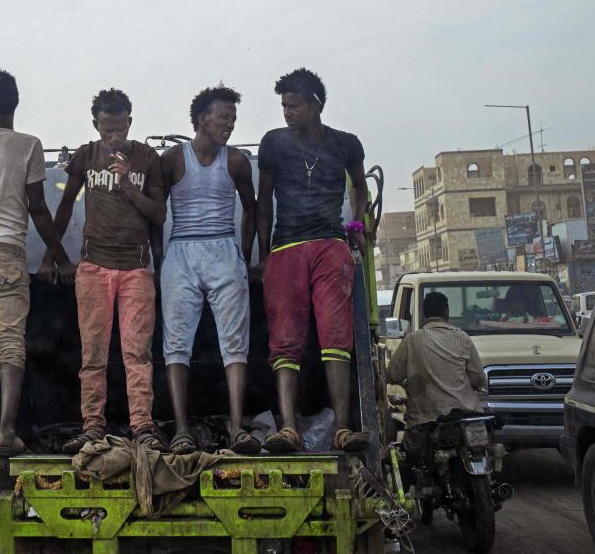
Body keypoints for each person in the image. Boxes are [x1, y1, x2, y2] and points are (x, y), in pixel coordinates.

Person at [0, 69, 75, 465]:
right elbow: (38, 208)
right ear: (16, 103)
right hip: (7, 252)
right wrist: (61, 257)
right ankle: (5, 432)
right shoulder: (29, 145)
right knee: (9, 344)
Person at [40, 88, 168, 454]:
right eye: (107, 129)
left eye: (120, 128)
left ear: (131, 120)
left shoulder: (147, 157)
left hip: (136, 269)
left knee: (137, 354)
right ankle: (92, 427)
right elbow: (64, 207)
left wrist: (127, 182)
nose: (114, 137)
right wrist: (53, 255)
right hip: (94, 267)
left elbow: (159, 216)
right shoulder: (85, 156)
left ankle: (142, 426)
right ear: (96, 125)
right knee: (93, 354)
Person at [252, 68, 370, 453]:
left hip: (329, 244)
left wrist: (356, 227)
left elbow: (360, 189)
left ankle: (342, 428)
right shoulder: (273, 143)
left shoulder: (346, 144)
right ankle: (288, 428)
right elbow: (263, 202)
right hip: (286, 248)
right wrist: (265, 254)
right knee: (285, 339)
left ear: (315, 105)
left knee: (336, 336)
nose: (287, 112)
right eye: (283, 105)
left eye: (294, 105)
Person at [159, 85, 259, 455]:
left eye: (233, 118)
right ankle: (181, 429)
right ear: (203, 119)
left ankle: (237, 428)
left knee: (235, 343)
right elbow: (157, 214)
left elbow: (252, 208)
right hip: (181, 250)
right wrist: (158, 261)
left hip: (223, 246)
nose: (230, 125)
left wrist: (243, 255)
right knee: (176, 344)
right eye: (224, 117)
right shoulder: (172, 159)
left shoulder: (235, 161)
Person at [386, 292, 487, 459]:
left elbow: (393, 375)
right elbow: (478, 378)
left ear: (425, 314)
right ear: (446, 312)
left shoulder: (412, 340)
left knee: (410, 459)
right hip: (465, 415)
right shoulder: (462, 338)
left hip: (425, 419)